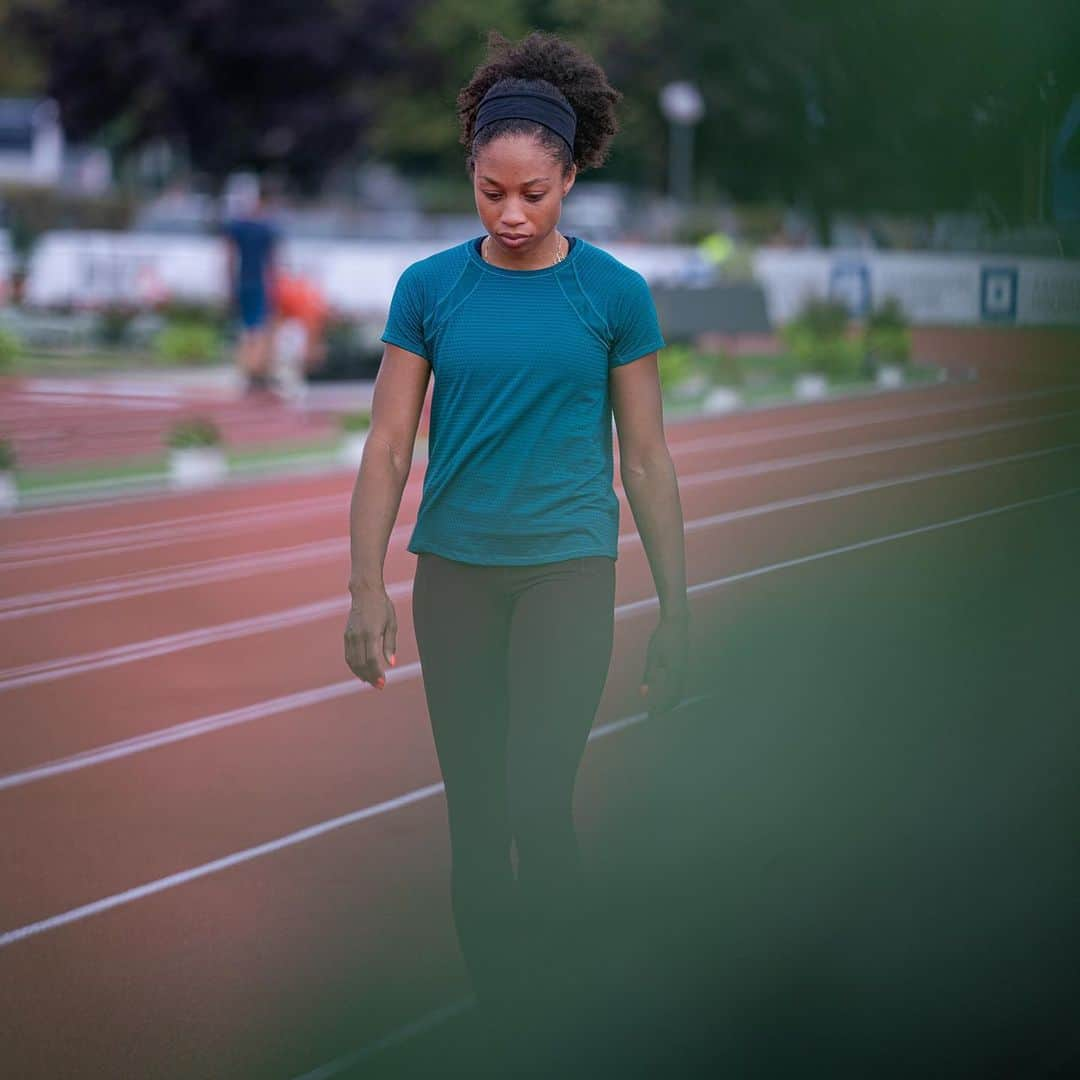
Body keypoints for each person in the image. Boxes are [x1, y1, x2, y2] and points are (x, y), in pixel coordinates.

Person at [343, 30, 690, 1070]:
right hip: (454, 575)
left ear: (573, 173)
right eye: (491, 191)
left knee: (540, 803)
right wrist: (366, 587)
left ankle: (566, 1014)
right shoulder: (429, 289)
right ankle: (507, 1031)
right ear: (472, 173)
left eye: (533, 193)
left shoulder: (615, 295)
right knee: (478, 819)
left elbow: (647, 462)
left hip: (566, 571)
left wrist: (678, 609)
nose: (510, 213)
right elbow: (389, 441)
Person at [221, 182, 279, 393]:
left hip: (245, 280)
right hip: (258, 282)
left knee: (248, 327)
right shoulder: (265, 228)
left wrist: (228, 283)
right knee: (258, 328)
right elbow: (272, 260)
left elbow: (228, 256)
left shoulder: (239, 226)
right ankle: (255, 370)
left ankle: (250, 370)